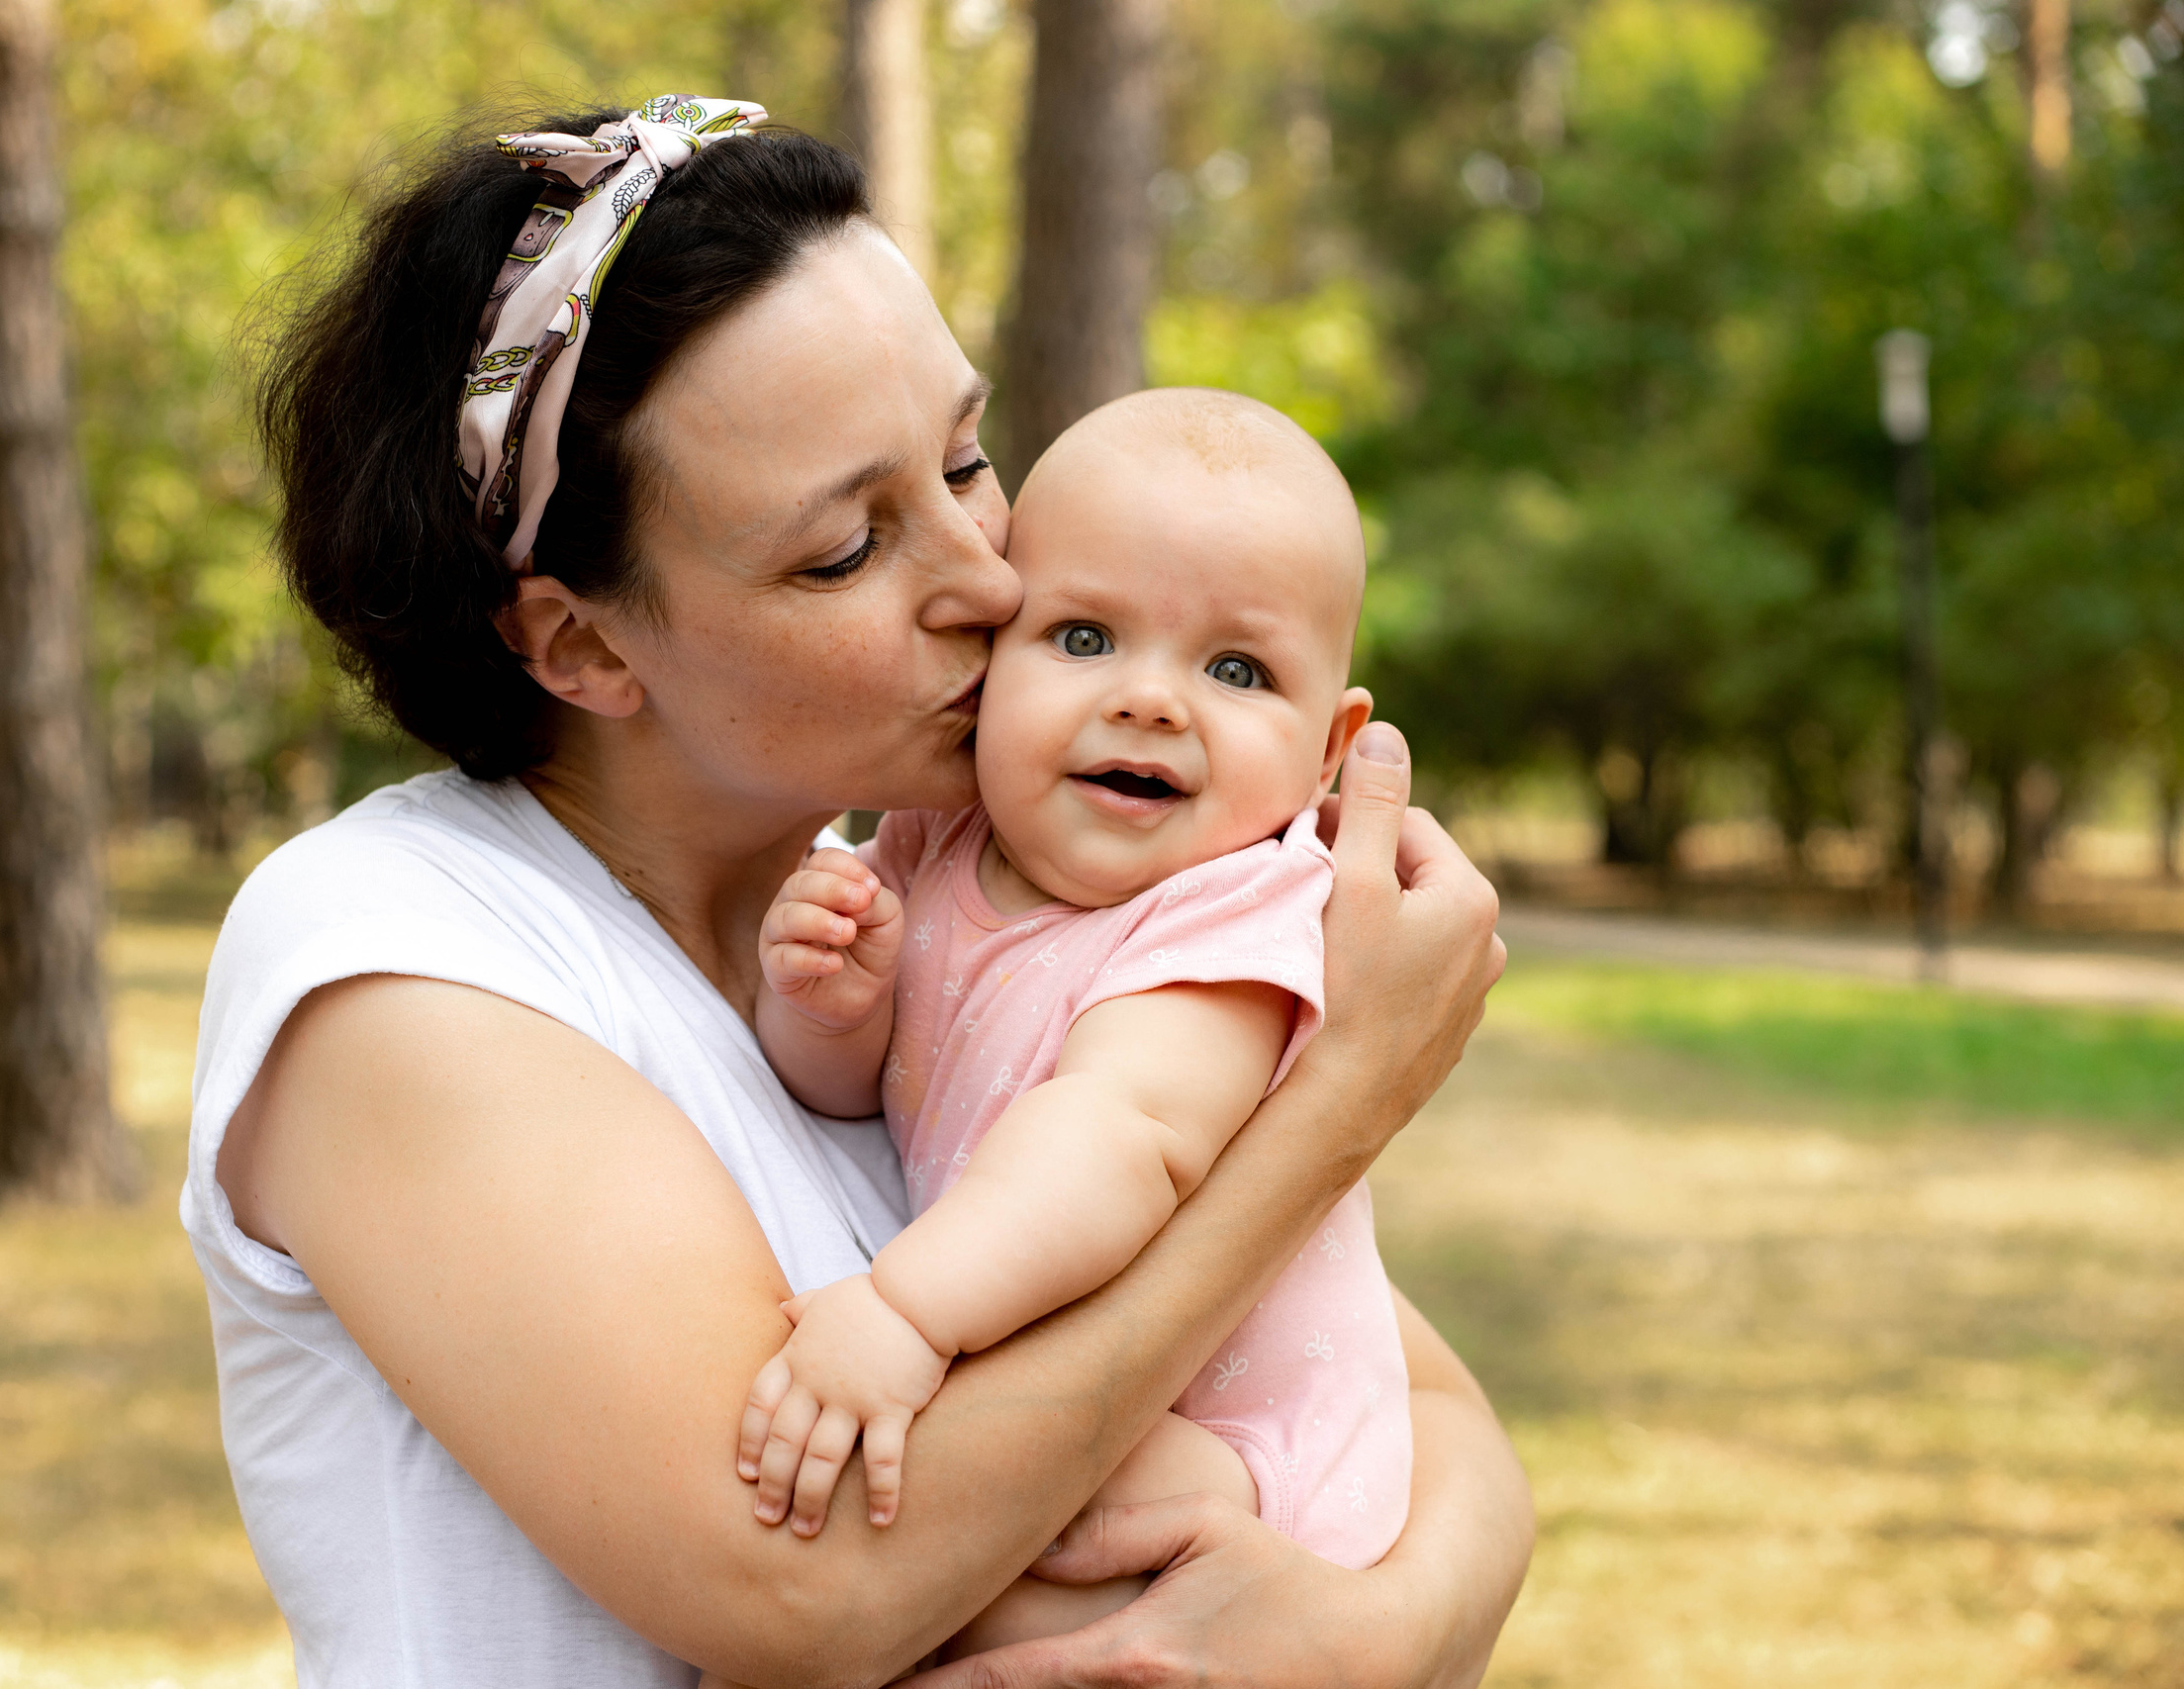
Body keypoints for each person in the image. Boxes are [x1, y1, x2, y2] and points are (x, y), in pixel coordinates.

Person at [195, 96, 1527, 1689]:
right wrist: (1343, 1095)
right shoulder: (394, 962)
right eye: (848, 550)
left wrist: (1366, 1634)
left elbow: (1430, 1421)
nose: (990, 575)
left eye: (968, 457)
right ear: (585, 644)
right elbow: (806, 1585)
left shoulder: (941, 916)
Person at [733, 388, 1409, 1663]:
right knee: (919, 1564)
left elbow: (1120, 1136)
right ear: (993, 661)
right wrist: (827, 1003)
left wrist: (906, 1316)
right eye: (1086, 637)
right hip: (1077, 1379)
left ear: (1330, 752)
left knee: (938, 1582)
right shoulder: (934, 843)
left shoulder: (1241, 913)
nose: (1152, 701)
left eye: (1235, 670)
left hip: (1228, 1439)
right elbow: (841, 1101)